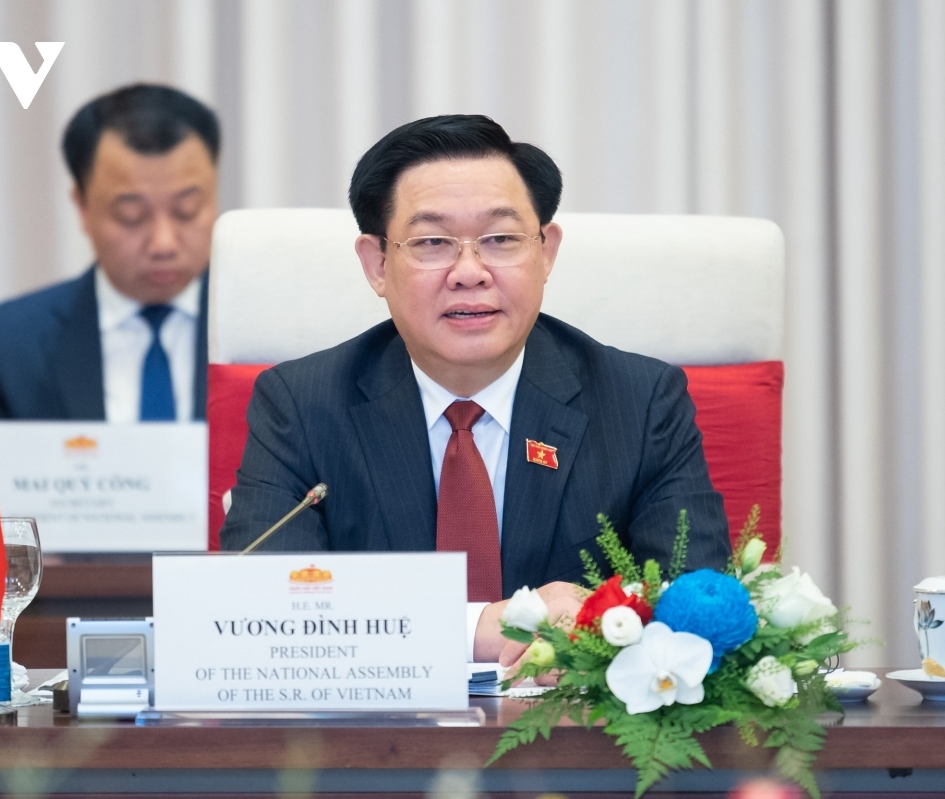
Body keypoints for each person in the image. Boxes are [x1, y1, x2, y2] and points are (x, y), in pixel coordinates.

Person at [220, 115, 731, 664]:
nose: (470, 271)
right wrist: (481, 628)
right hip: (374, 743)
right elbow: (265, 612)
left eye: (501, 239)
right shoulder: (302, 404)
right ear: (377, 265)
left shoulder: (640, 402)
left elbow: (694, 617)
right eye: (433, 241)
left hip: (570, 740)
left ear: (546, 252)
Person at [0, 84, 219, 422]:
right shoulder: (6, 346)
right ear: (82, 207)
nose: (164, 243)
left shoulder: (269, 335)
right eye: (131, 215)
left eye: (187, 210)